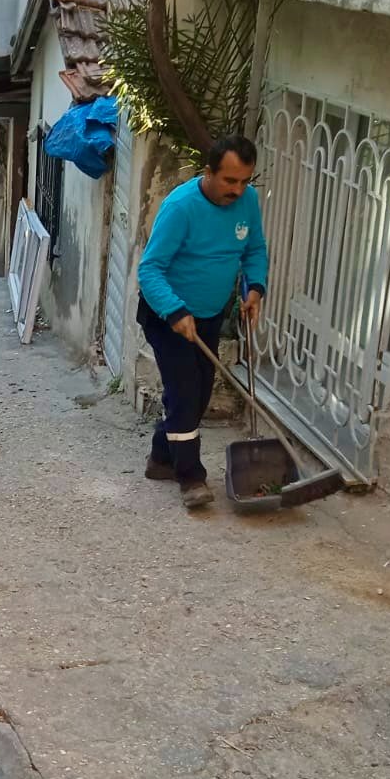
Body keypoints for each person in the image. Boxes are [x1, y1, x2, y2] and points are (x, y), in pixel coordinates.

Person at [136, 133, 268, 509]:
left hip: (208, 316)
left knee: (197, 397)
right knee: (184, 394)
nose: (238, 190)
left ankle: (161, 458)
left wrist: (255, 289)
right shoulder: (181, 207)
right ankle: (191, 477)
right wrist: (176, 312)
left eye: (245, 181)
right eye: (229, 180)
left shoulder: (248, 203)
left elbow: (255, 249)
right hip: (168, 317)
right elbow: (150, 270)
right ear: (208, 172)